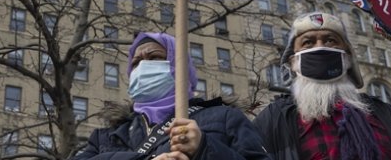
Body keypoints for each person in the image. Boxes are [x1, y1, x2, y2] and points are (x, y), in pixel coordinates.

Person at [253, 12, 391, 160]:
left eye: (330, 40)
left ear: (348, 57)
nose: (320, 47)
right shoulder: (273, 120)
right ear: (292, 61)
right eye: (308, 42)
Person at [71, 32, 270, 160]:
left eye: (154, 57)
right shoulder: (106, 137)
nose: (143, 65)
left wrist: (204, 148)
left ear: (179, 66)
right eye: (136, 62)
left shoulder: (225, 118)